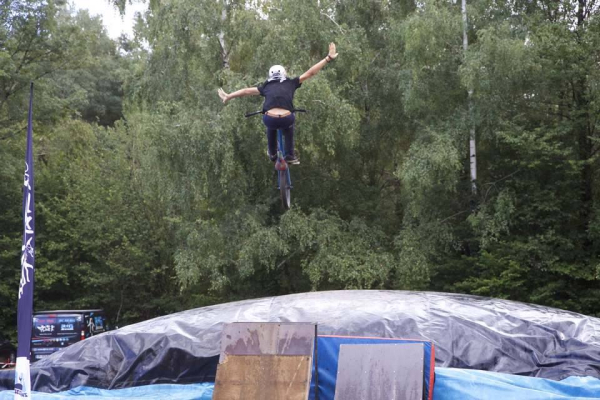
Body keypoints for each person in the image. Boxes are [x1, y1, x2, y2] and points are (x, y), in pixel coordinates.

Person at [218, 43, 338, 164]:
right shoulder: (291, 82)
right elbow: (310, 73)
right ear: (284, 74)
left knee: (270, 125)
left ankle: (272, 153)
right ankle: (290, 155)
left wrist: (229, 96)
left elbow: (245, 91)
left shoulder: (266, 86)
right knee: (289, 127)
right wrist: (328, 58)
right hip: (286, 118)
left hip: (271, 119)